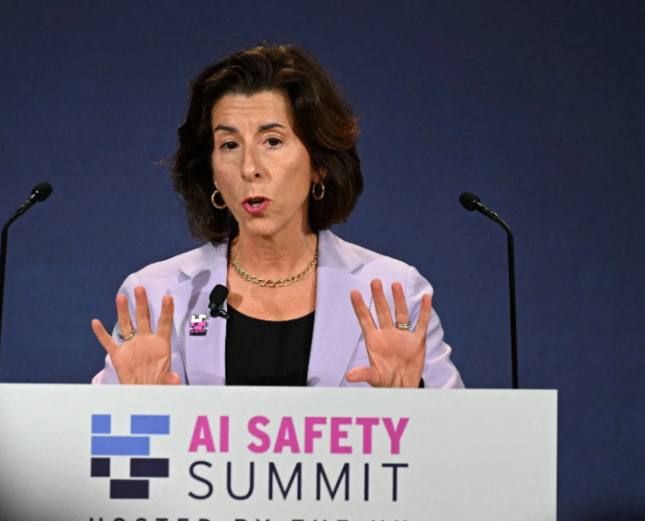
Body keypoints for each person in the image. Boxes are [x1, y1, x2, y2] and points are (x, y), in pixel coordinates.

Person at [91, 44, 463, 389]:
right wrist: (135, 404)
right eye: (229, 145)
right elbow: (102, 433)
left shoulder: (396, 293)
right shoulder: (155, 295)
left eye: (272, 141)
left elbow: (457, 430)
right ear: (212, 173)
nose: (249, 167)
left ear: (319, 164)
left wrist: (410, 402)